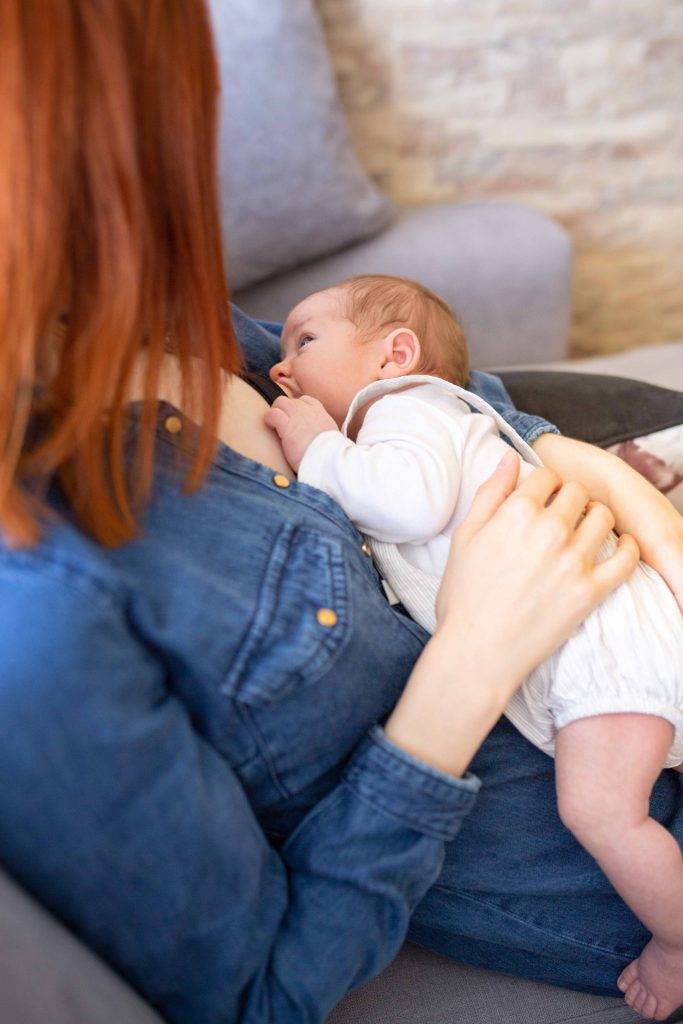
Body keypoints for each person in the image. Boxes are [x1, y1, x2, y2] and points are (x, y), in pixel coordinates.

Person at [0, 3, 681, 1024]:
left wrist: (617, 487)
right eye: (177, 96)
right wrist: (469, 663)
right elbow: (258, 995)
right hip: (612, 784)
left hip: (623, 570)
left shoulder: (112, 300)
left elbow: (434, 396)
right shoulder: (38, 614)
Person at [267, 274, 683, 1020]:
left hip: (598, 650)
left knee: (600, 811)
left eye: (303, 340)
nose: (278, 362)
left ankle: (677, 940)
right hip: (607, 630)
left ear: (397, 354)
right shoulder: (428, 415)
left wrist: (319, 446)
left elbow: (407, 503)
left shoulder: (399, 412)